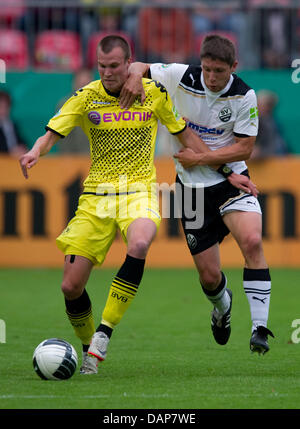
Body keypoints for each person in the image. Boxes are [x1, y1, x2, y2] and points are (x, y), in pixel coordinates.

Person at [19, 35, 258, 376]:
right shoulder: (87, 97)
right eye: (102, 67)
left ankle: (104, 334)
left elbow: (186, 135)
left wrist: (226, 171)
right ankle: (89, 351)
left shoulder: (154, 95)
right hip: (96, 198)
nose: (108, 73)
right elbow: (52, 132)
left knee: (141, 241)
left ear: (129, 62)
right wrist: (34, 151)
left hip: (140, 192)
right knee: (70, 286)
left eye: (115, 66)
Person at [120, 34, 274, 354]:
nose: (212, 77)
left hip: (233, 182)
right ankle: (222, 308)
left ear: (233, 66)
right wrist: (134, 77)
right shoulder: (182, 75)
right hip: (190, 190)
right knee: (209, 278)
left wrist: (202, 158)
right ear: (200, 64)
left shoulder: (244, 96)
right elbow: (137, 65)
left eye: (219, 71)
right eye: (207, 69)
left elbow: (245, 147)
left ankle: (260, 328)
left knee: (253, 241)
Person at [57, 68, 93, 154]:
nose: (84, 89)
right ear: (74, 84)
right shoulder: (64, 105)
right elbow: (63, 138)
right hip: (73, 160)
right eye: (81, 85)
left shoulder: (100, 104)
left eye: (87, 85)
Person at [250, 89, 288, 160]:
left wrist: (258, 152)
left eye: (259, 104)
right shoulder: (251, 119)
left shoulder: (271, 124)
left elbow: (275, 149)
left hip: (275, 162)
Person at [0, 90, 27, 158]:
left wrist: (22, 148)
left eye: (6, 107)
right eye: (0, 107)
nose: (3, 111)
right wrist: (10, 153)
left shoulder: (12, 125)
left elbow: (22, 141)